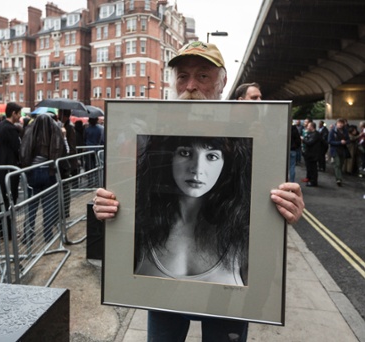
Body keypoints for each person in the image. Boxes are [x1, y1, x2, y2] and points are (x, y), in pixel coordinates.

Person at [93, 41, 304, 342]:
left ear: (222, 82)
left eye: (203, 76)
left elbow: (266, 215)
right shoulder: (150, 139)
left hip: (228, 295)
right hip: (161, 292)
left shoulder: (249, 140)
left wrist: (287, 206)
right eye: (183, 76)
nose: (191, 86)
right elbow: (122, 199)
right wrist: (108, 206)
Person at [135, 135, 251, 286]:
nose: (197, 169)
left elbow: (261, 300)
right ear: (168, 158)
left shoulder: (244, 228)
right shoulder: (139, 221)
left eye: (211, 156)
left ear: (226, 164)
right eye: (185, 153)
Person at [20, 114, 66, 243]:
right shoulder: (56, 131)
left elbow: (23, 151)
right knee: (49, 204)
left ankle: (28, 236)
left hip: (33, 171)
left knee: (31, 205)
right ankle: (48, 234)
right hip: (50, 171)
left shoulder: (30, 131)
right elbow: (64, 151)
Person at [0, 102, 22, 240]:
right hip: (9, 168)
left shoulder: (0, 126)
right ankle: (8, 232)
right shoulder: (10, 128)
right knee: (10, 200)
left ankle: (4, 231)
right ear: (13, 113)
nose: (20, 116)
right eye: (19, 113)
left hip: (1, 167)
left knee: (3, 200)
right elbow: (17, 149)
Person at [328, 118, 350, 187]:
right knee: (337, 164)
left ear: (343, 124)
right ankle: (339, 179)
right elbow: (329, 141)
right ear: (336, 124)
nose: (340, 125)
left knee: (341, 164)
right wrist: (339, 142)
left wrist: (345, 142)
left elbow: (348, 140)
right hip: (335, 149)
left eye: (341, 123)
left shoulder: (345, 131)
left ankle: (338, 176)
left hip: (343, 150)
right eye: (339, 123)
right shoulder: (333, 131)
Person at [301, 122, 321, 187]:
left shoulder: (316, 134)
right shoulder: (311, 133)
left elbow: (310, 142)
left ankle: (313, 182)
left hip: (313, 154)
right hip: (309, 154)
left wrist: (303, 139)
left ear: (312, 127)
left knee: (313, 169)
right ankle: (309, 179)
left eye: (309, 126)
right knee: (309, 167)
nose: (307, 127)